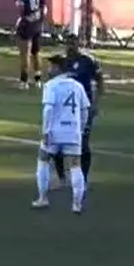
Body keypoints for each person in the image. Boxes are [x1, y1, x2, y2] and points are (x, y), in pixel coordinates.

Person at [33, 55, 90, 214]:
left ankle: (43, 198)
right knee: (75, 166)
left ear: (58, 68)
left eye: (51, 66)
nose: (48, 69)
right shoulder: (77, 86)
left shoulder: (51, 85)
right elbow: (85, 110)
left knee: (43, 160)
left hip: (54, 131)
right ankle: (77, 204)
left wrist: (46, 131)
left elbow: (48, 109)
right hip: (73, 132)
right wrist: (81, 129)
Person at [53, 34, 102, 183]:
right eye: (68, 44)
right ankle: (62, 177)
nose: (70, 47)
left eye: (73, 44)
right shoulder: (62, 62)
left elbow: (99, 81)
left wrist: (95, 104)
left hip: (83, 108)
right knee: (58, 143)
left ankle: (83, 179)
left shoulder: (88, 61)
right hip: (65, 110)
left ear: (78, 45)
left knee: (83, 144)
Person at [13, 0, 46, 90]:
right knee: (36, 52)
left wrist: (23, 19)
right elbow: (44, 8)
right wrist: (38, 19)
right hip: (37, 24)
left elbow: (21, 7)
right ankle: (38, 80)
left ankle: (24, 81)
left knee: (24, 53)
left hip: (27, 24)